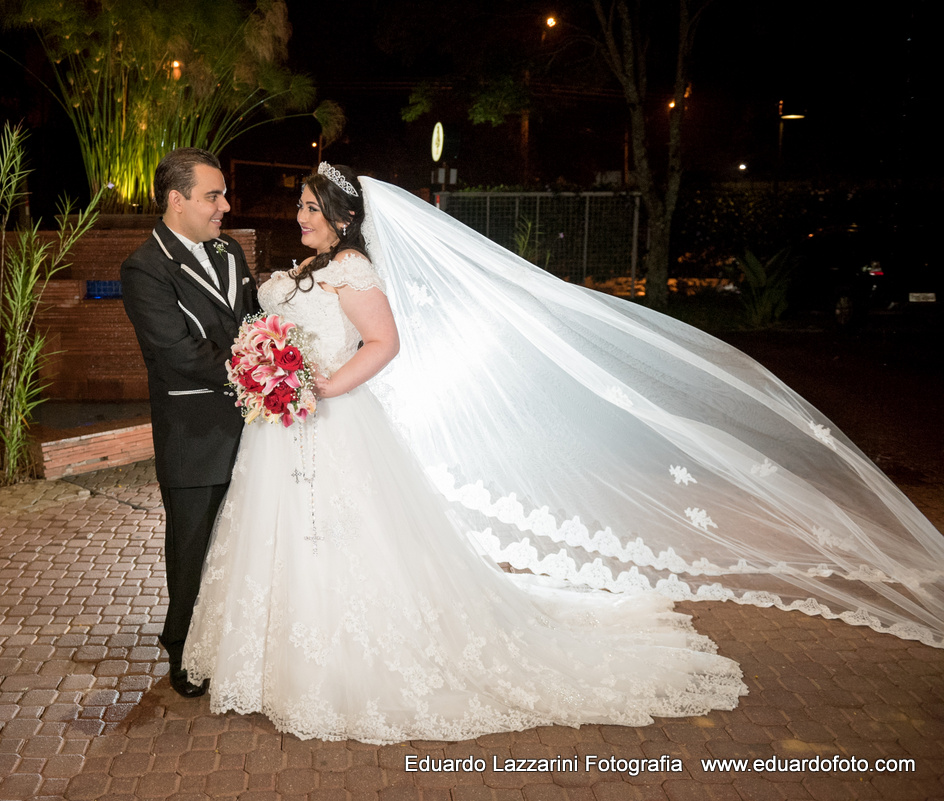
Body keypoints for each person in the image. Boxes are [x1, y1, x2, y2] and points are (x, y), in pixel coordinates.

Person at [184, 163, 944, 743]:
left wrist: (318, 390)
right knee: (282, 540)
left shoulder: (354, 271)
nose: (299, 215)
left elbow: (384, 344)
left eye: (310, 208)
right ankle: (265, 656)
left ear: (342, 217)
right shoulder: (304, 270)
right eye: (302, 207)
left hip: (331, 421)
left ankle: (336, 662)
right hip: (279, 428)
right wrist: (269, 366)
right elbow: (279, 329)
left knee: (345, 539)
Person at [121, 148, 259, 698]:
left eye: (222, 194)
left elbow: (251, 319)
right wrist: (257, 373)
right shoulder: (144, 269)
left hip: (254, 428)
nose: (224, 205)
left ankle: (234, 641)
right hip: (194, 432)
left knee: (242, 541)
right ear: (176, 201)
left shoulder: (228, 250)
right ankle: (182, 649)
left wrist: (268, 358)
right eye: (212, 196)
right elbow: (177, 351)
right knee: (193, 545)